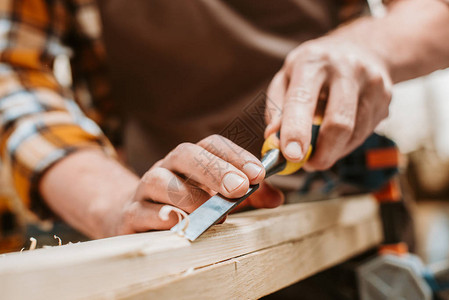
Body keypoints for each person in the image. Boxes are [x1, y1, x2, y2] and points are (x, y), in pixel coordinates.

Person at [0, 0, 448, 240]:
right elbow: (13, 70)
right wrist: (112, 203)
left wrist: (369, 46)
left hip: (343, 213)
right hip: (161, 224)